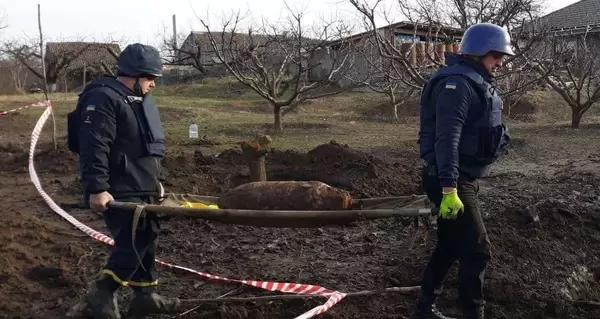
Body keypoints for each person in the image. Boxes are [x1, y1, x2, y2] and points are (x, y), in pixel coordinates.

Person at [70, 43, 179, 318]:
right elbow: (94, 146)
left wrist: (156, 182)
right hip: (119, 188)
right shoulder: (104, 98)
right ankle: (101, 295)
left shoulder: (136, 100)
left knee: (147, 237)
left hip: (142, 185)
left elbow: (145, 147)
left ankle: (145, 296)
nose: (154, 84)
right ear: (135, 74)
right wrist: (97, 188)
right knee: (133, 242)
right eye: (150, 78)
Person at [412, 23, 513, 319]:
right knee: (478, 249)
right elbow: (447, 139)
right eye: (496, 55)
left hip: (459, 177)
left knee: (451, 243)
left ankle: (424, 308)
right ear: (480, 52)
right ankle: (473, 313)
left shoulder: (474, 81)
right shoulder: (456, 86)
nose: (500, 62)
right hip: (450, 180)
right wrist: (449, 189)